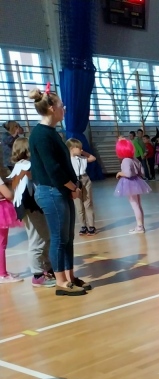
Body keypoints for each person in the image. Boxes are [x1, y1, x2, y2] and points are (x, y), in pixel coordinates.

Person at [27, 86, 88, 296]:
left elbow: (63, 164)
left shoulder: (52, 132)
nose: (65, 109)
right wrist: (73, 187)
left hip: (61, 191)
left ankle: (70, 276)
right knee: (59, 238)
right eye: (62, 105)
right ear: (52, 108)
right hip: (51, 192)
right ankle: (61, 281)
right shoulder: (40, 135)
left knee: (68, 237)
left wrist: (73, 187)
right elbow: (53, 169)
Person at [8, 137, 55, 287]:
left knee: (44, 238)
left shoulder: (19, 166)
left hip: (28, 207)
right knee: (38, 240)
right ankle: (38, 275)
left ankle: (46, 268)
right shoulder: (27, 166)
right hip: (31, 207)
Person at [114, 138, 151, 234]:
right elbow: (142, 172)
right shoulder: (135, 159)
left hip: (129, 184)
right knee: (138, 205)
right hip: (137, 182)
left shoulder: (125, 160)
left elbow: (128, 174)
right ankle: (141, 226)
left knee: (135, 206)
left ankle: (139, 227)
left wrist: (119, 173)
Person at [66, 138, 97, 236]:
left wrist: (83, 152)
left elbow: (93, 158)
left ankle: (91, 226)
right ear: (72, 148)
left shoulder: (82, 158)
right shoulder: (67, 160)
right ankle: (83, 226)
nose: (81, 149)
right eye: (79, 148)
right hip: (74, 181)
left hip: (85, 179)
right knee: (79, 206)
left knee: (88, 203)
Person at [0, 173, 23, 283]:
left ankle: (2, 271)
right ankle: (2, 274)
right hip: (1, 211)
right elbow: (8, 194)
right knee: (1, 243)